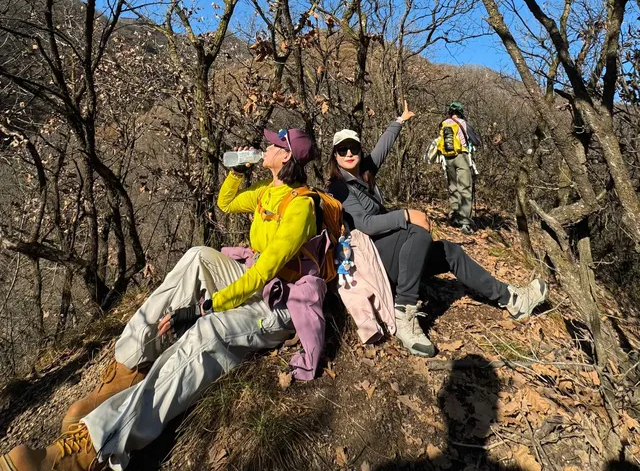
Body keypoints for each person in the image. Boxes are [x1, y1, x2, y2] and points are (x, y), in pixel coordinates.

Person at [0, 128, 319, 471]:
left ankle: (90, 449)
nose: (265, 147)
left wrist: (203, 307)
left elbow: (264, 274)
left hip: (278, 302)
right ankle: (129, 367)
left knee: (206, 333)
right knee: (198, 254)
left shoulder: (300, 206)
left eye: (273, 145)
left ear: (285, 156)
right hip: (252, 279)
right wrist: (236, 172)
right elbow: (225, 204)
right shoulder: (265, 192)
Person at [326, 103, 547, 358]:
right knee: (417, 231)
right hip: (373, 257)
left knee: (449, 251)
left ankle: (511, 299)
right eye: (343, 150)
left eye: (354, 147)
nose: (349, 153)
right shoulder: (338, 188)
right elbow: (365, 225)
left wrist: (400, 120)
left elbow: (382, 148)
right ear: (335, 156)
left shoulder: (364, 172)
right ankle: (404, 311)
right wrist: (405, 215)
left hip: (394, 250)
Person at [439, 101, 481, 233]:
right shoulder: (464, 124)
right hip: (461, 157)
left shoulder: (444, 124)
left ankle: (454, 216)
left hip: (447, 159)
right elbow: (476, 142)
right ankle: (465, 223)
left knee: (453, 187)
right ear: (461, 112)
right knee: (465, 188)